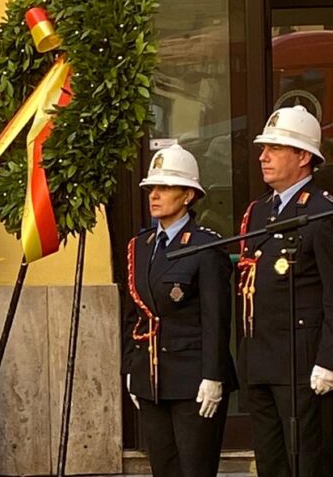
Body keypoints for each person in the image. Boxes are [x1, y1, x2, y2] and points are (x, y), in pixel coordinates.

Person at [122, 145, 237, 477]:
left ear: (188, 195)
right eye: (151, 189)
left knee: (195, 469)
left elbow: (216, 319)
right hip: (152, 377)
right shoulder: (140, 247)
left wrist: (213, 376)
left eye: (165, 187)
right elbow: (134, 315)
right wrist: (131, 367)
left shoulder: (205, 246)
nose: (155, 195)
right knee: (164, 468)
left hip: (193, 379)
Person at [237, 105, 333, 477]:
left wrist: (328, 360)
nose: (263, 156)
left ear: (304, 156)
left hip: (302, 362)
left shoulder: (322, 212)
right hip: (261, 359)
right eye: (264, 148)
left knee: (306, 461)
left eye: (275, 148)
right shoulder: (260, 212)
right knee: (271, 461)